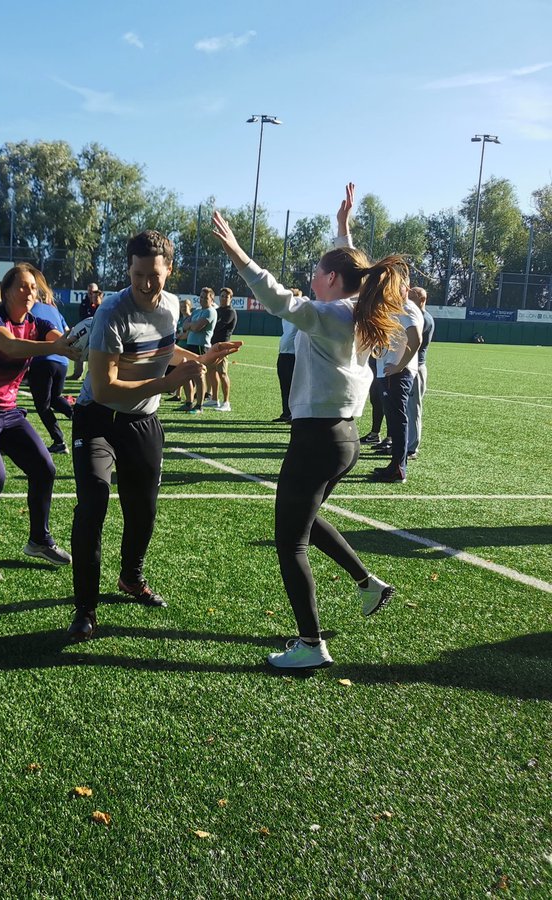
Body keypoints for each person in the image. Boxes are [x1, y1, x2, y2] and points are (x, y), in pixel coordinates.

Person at [211, 183, 401, 669]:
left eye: (318, 270)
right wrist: (343, 229)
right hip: (341, 439)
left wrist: (238, 254)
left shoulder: (332, 315)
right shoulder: (357, 308)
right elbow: (357, 271)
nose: (312, 276)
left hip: (318, 439)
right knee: (306, 519)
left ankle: (311, 645)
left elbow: (279, 301)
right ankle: (368, 585)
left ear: (333, 278)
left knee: (290, 538)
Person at [67, 231, 241, 642]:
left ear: (170, 270)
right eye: (138, 274)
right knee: (93, 504)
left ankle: (130, 577)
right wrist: (168, 384)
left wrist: (198, 359)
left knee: (143, 511)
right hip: (98, 419)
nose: (146, 283)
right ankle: (85, 609)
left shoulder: (169, 307)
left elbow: (163, 353)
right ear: (128, 269)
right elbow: (105, 387)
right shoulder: (112, 312)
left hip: (143, 421)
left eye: (154, 275)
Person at [0, 263, 78, 580]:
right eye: (23, 286)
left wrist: (78, 343)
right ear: (7, 291)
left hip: (8, 413)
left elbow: (60, 338)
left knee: (45, 468)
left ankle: (39, 540)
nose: (29, 292)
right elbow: (10, 345)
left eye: (33, 287)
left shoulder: (36, 323)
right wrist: (56, 346)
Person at [367, 285, 422, 483]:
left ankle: (399, 468)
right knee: (394, 419)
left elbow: (416, 339)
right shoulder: (398, 308)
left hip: (396, 374)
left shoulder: (405, 308)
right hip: (390, 371)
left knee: (397, 420)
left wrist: (399, 366)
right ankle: (395, 465)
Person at [28, 292, 74, 453]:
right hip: (62, 362)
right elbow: (67, 331)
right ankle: (81, 419)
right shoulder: (54, 310)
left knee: (42, 405)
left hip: (43, 360)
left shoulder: (29, 308)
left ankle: (59, 441)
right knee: (55, 398)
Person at [405, 286, 435, 460]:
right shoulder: (418, 315)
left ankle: (412, 447)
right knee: (407, 408)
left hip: (417, 366)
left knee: (414, 408)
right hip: (412, 365)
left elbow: (414, 341)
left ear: (421, 299)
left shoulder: (423, 318)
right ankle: (404, 443)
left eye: (411, 296)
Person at [181, 287, 217, 413]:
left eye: (205, 298)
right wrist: (191, 326)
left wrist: (191, 326)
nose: (202, 300)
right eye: (201, 297)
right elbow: (185, 326)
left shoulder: (210, 312)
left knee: (199, 375)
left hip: (201, 347)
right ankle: (189, 402)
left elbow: (195, 327)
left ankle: (199, 405)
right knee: (186, 374)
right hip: (190, 345)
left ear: (211, 299)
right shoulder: (196, 311)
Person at [205, 287, 238, 411]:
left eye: (226, 296)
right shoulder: (217, 310)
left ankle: (226, 403)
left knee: (223, 373)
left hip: (223, 346)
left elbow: (218, 326)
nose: (224, 298)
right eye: (222, 296)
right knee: (211, 371)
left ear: (231, 298)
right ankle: (214, 399)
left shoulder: (230, 312)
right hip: (212, 345)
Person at [273, 296, 300, 423]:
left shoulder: (300, 314)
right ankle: (286, 413)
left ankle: (295, 415)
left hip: (294, 355)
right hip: (283, 354)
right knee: (284, 386)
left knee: (294, 387)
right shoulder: (285, 315)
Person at [69, 283, 103, 380]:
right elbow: (82, 318)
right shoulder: (84, 303)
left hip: (99, 334)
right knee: (80, 347)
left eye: (94, 292)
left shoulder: (103, 307)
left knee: (96, 355)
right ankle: (77, 374)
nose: (91, 294)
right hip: (86, 331)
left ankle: (94, 375)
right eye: (90, 292)